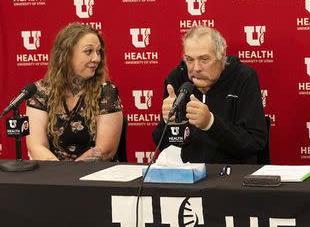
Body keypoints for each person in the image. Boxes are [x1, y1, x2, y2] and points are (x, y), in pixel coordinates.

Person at [151, 26, 267, 163]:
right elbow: (163, 145)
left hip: (232, 174)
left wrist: (211, 123)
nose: (196, 68)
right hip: (187, 173)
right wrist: (167, 121)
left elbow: (255, 143)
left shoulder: (243, 78)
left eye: (204, 59)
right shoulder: (176, 79)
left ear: (222, 56)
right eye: (189, 59)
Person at [26, 23, 123, 161]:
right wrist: (60, 176)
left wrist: (70, 175)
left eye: (98, 51)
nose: (96, 58)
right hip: (52, 175)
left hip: (94, 176)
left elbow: (105, 150)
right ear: (66, 55)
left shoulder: (107, 91)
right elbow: (36, 146)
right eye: (88, 51)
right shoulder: (40, 92)